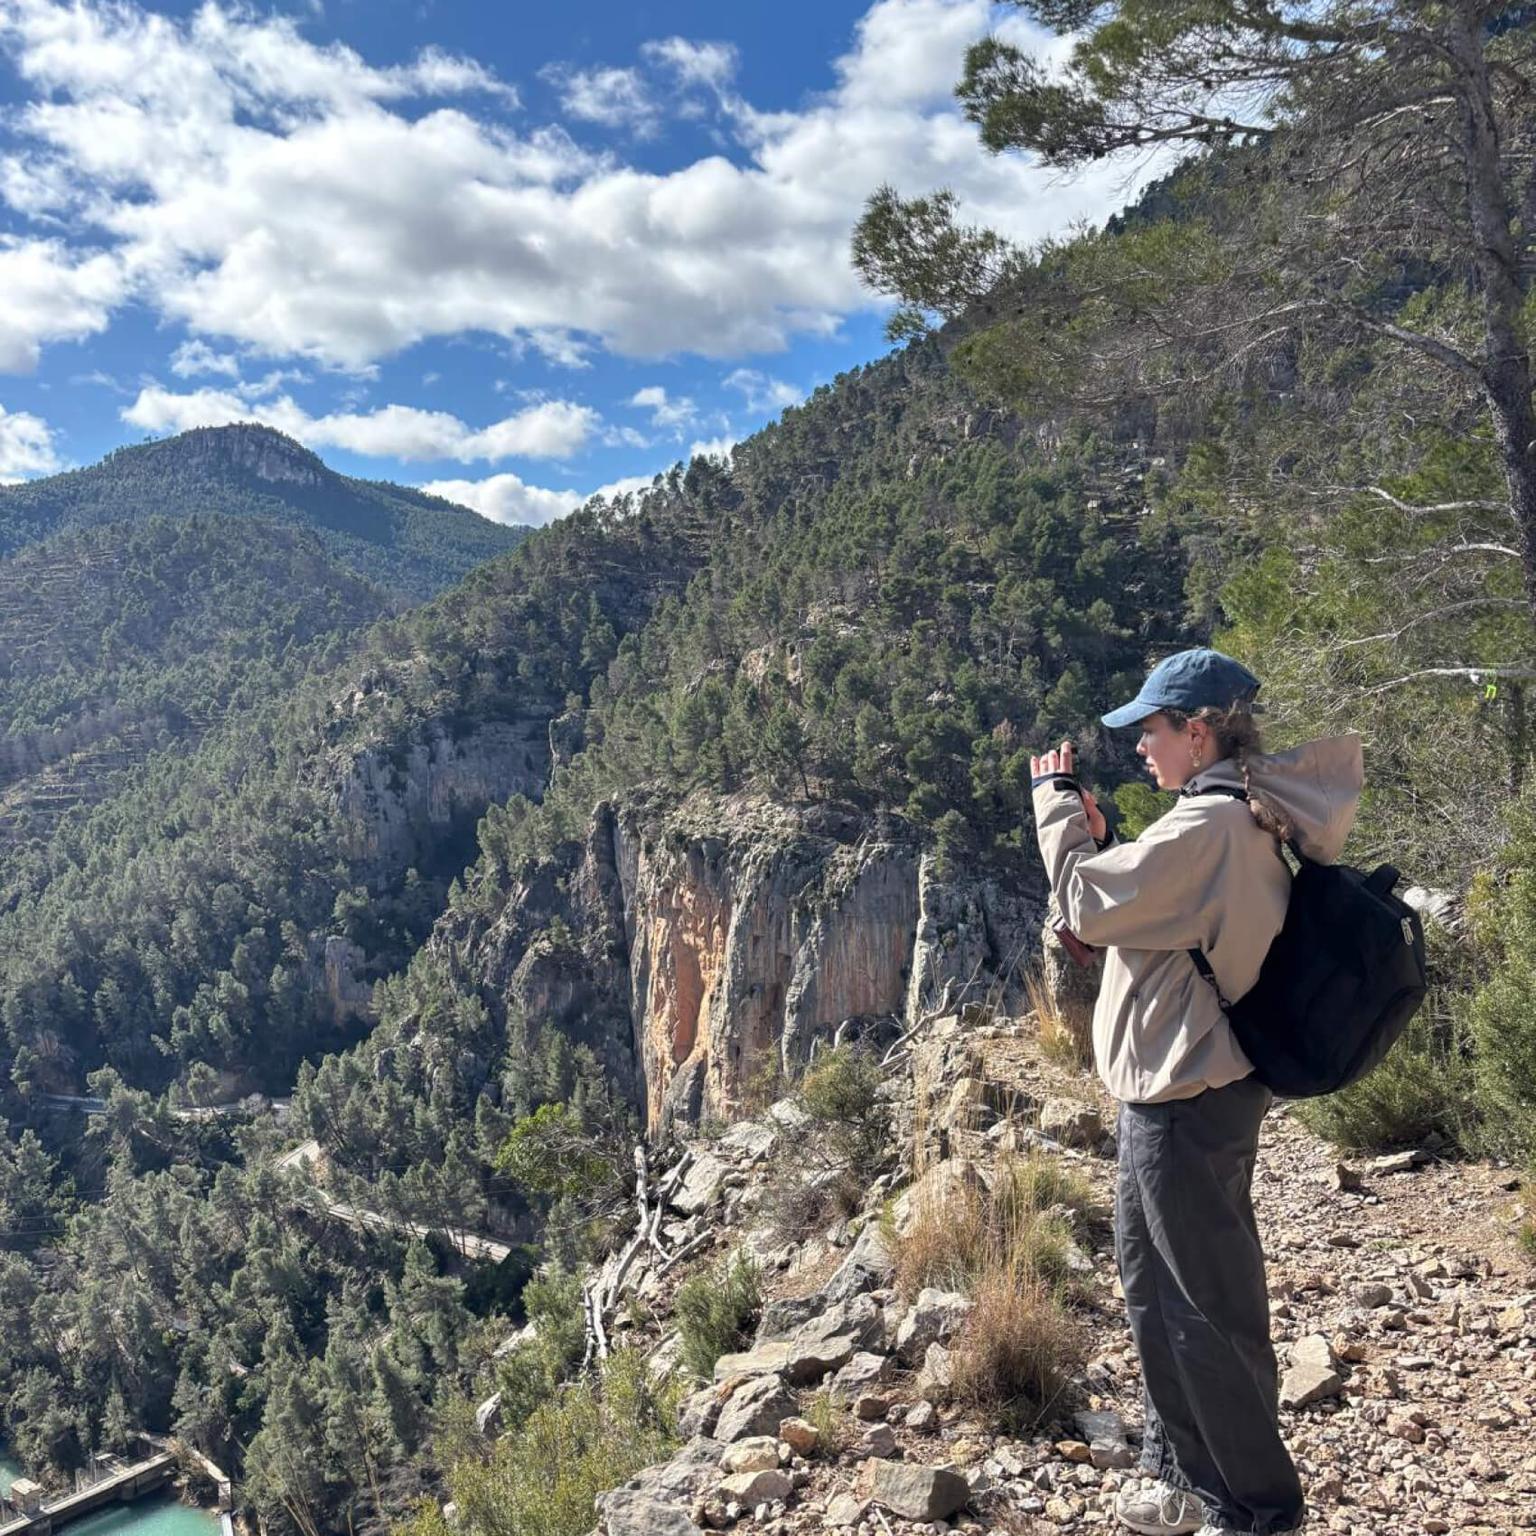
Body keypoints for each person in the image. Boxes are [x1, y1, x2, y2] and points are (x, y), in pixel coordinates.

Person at [1027, 647, 1364, 1536]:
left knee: (1209, 1313)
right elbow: (1152, 916)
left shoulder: (1207, 829)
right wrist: (1106, 846)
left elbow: (1084, 905)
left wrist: (1056, 810)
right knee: (1155, 1293)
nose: (1142, 746)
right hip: (1171, 1095)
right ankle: (1188, 1480)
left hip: (1186, 1100)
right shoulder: (1219, 821)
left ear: (1199, 731)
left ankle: (1259, 1511)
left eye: (1153, 729)